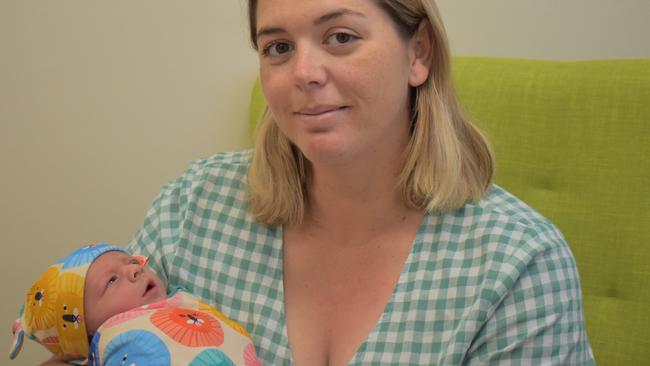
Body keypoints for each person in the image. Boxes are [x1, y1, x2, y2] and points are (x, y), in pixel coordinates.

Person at [40, 0, 596, 364]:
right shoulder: (193, 207)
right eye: (278, 47)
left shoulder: (518, 263)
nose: (304, 73)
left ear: (418, 53)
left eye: (341, 37)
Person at [12, 244, 259, 365]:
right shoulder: (118, 344)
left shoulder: (183, 304)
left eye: (131, 261)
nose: (135, 270)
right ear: (85, 327)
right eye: (111, 280)